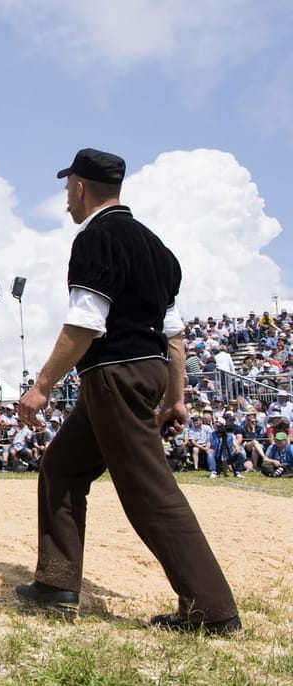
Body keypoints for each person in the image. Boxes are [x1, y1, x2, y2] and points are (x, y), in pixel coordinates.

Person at [15, 148, 240, 635]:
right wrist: (175, 397)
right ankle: (56, 584)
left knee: (148, 490)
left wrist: (41, 387)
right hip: (146, 369)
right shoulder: (157, 248)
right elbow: (174, 332)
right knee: (62, 466)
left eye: (67, 188)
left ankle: (212, 610)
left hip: (113, 373)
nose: (66, 199)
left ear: (79, 187)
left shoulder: (95, 238)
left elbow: (85, 323)